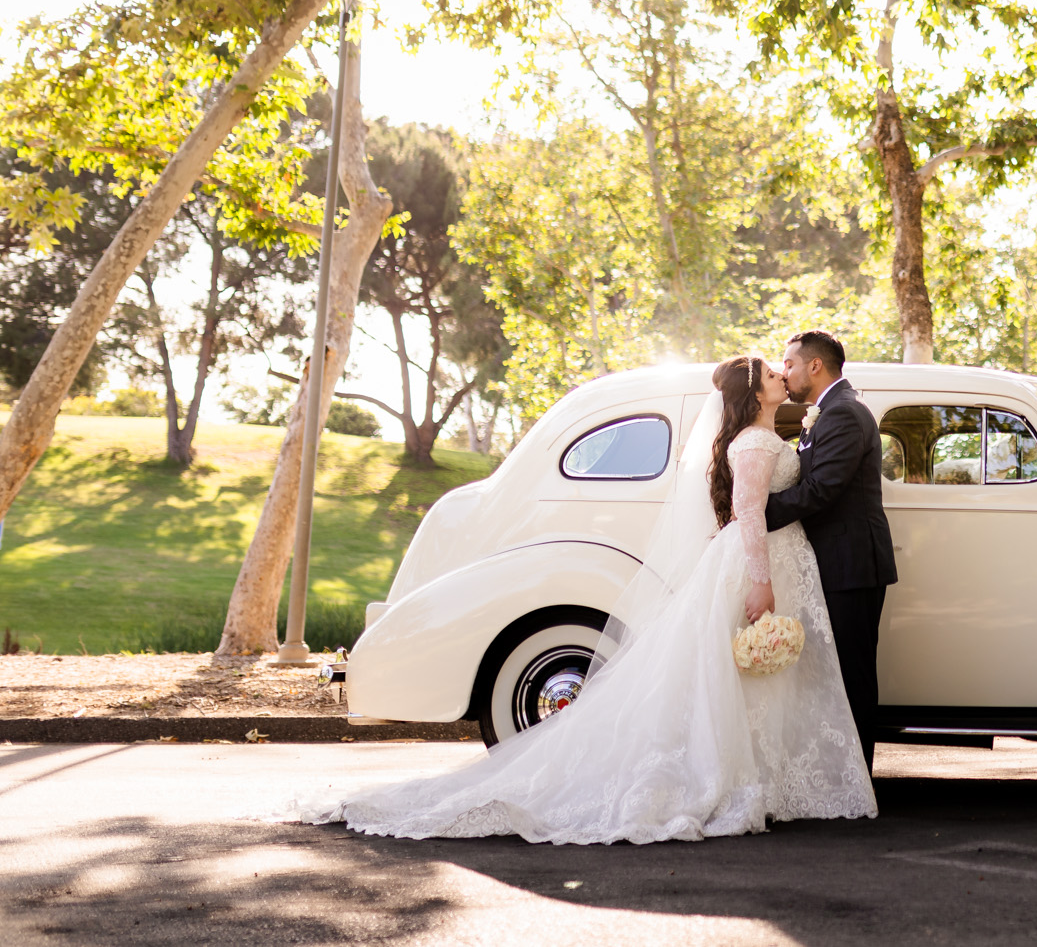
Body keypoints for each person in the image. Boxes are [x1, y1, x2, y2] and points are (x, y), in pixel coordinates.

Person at [290, 356, 876, 843]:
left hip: (775, 556)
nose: (782, 374)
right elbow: (749, 511)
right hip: (760, 562)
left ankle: (766, 777)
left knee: (755, 680)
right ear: (754, 393)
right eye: (774, 372)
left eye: (787, 367)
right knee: (736, 676)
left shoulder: (766, 433)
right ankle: (739, 781)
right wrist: (759, 577)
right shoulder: (753, 442)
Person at [765, 330, 895, 769]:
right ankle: (842, 776)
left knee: (852, 673)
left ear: (815, 366)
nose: (785, 373)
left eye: (790, 364)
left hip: (851, 563)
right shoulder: (827, 411)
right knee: (834, 671)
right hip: (835, 562)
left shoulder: (842, 414)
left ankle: (858, 782)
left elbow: (821, 490)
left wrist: (754, 515)